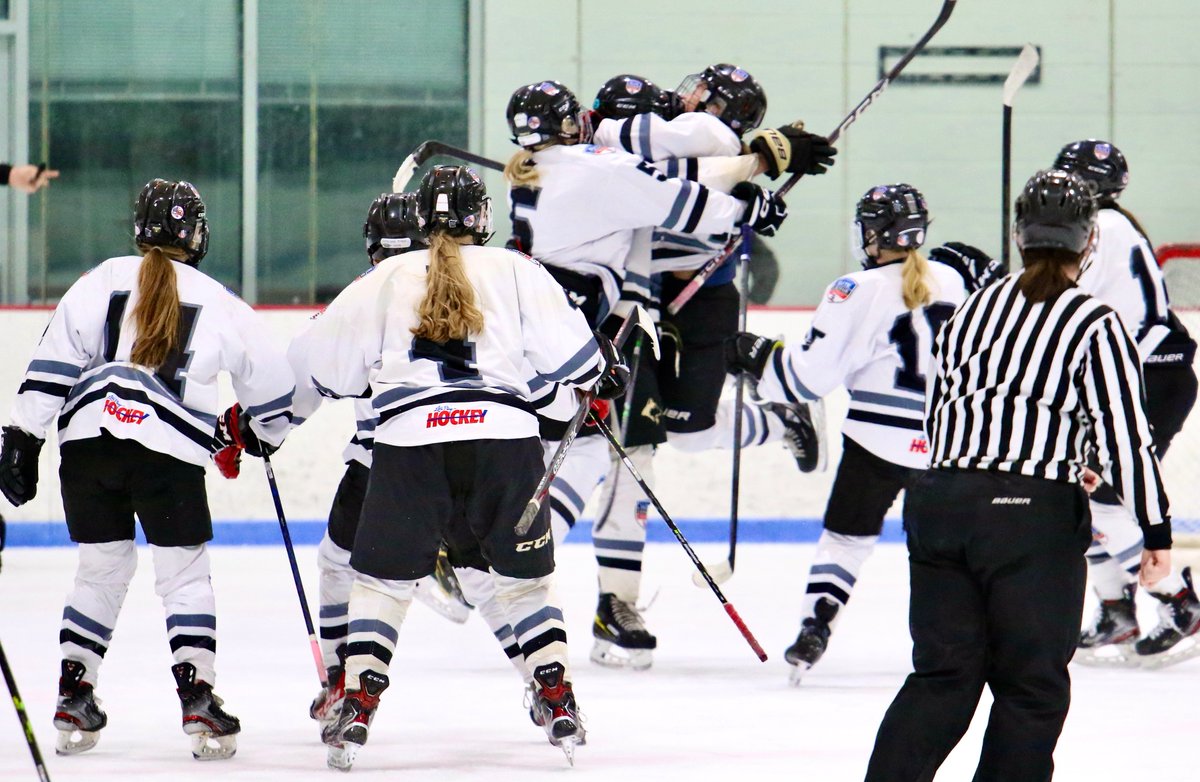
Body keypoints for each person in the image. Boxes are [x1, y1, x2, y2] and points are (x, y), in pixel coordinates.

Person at [291, 165, 628, 770]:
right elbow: (577, 367)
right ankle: (556, 695)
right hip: (504, 444)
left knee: (382, 586)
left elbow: (325, 372)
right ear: (483, 219)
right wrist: (605, 372)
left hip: (408, 447)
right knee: (522, 584)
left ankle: (357, 705)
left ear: (421, 220)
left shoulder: (385, 277)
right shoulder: (517, 269)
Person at [862, 169, 1172, 782]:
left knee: (942, 679)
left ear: (1018, 235)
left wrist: (1059, 460)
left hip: (940, 503)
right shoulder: (1093, 320)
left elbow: (951, 414)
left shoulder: (972, 310)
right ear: (1088, 241)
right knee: (1031, 688)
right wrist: (1156, 531)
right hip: (1029, 520)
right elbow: (1125, 438)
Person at [0, 178, 295, 761]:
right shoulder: (220, 300)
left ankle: (74, 693)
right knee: (183, 576)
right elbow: (275, 390)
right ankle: (197, 697)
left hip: (88, 446)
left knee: (99, 572)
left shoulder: (101, 278)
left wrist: (22, 437)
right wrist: (259, 433)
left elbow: (53, 361)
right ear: (197, 234)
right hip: (166, 455)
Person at [504, 77, 788, 669]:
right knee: (599, 454)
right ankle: (506, 565)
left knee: (623, 455)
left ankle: (592, 594)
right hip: (597, 327)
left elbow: (673, 178)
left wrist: (747, 170)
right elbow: (679, 190)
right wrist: (753, 188)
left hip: (576, 323)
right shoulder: (602, 164)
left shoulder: (545, 169)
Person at [726, 184, 980, 684]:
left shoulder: (855, 289)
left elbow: (807, 380)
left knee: (846, 540)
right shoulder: (953, 279)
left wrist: (759, 359)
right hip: (945, 445)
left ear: (873, 234)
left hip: (875, 442)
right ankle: (961, 644)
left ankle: (816, 625)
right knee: (943, 555)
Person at [290, 192, 476, 731]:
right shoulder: (466, 286)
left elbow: (308, 372)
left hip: (387, 461)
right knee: (493, 585)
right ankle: (547, 681)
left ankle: (340, 680)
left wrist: (257, 425)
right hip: (473, 454)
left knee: (339, 566)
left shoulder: (363, 294)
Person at [1052, 139, 1200, 665]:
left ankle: (1179, 603)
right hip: (1135, 381)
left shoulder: (1105, 229)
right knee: (1080, 494)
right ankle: (1117, 608)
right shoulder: (1106, 225)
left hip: (1151, 381)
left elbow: (1060, 300)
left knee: (1104, 497)